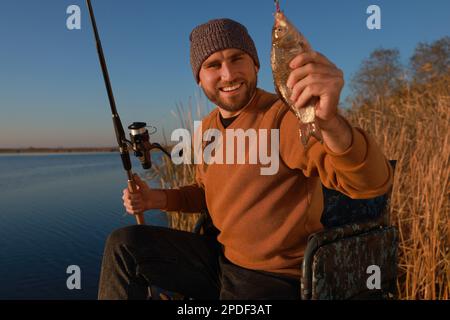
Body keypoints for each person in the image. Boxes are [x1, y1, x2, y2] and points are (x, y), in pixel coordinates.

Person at [97, 18, 393, 300]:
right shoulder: (209, 128)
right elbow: (206, 194)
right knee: (125, 245)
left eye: (237, 58)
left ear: (255, 64)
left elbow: (371, 184)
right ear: (199, 79)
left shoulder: (284, 118)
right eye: (213, 65)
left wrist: (331, 124)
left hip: (273, 277)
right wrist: (156, 199)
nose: (228, 74)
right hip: (219, 259)